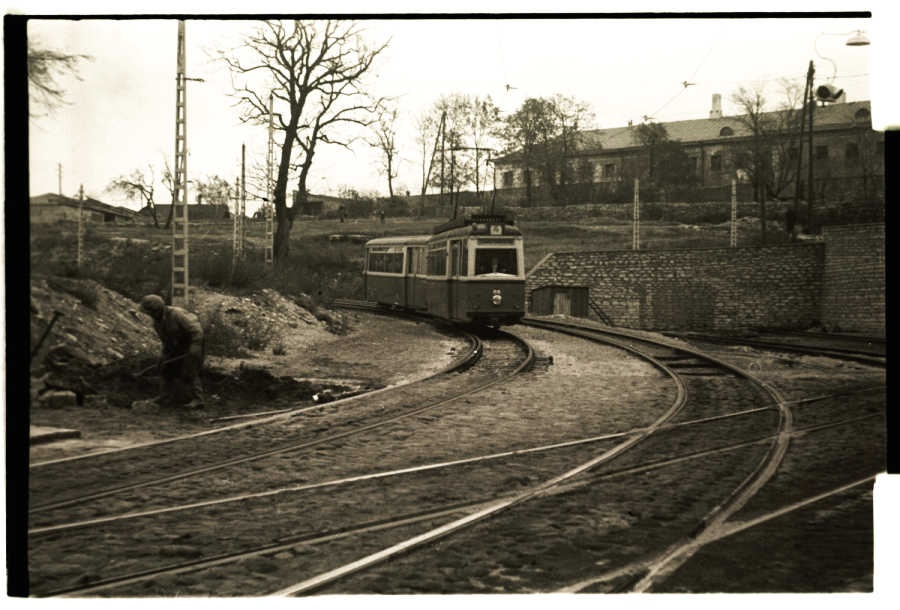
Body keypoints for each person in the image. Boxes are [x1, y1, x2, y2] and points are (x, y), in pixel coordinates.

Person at [139, 294, 205, 409]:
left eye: (149, 312)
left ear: (156, 310)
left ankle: (198, 400)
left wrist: (195, 346)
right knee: (166, 368)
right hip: (177, 345)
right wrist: (164, 356)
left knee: (189, 370)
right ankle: (165, 396)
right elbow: (167, 341)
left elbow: (197, 330)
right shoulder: (157, 322)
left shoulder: (177, 314)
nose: (148, 315)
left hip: (193, 342)